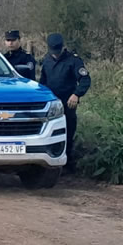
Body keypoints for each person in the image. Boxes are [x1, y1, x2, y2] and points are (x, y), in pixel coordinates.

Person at [39, 33, 91, 172]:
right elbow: (42, 82)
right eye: (53, 52)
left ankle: (68, 164)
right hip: (51, 104)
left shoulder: (73, 61)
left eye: (57, 51)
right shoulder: (47, 60)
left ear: (62, 47)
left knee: (68, 132)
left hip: (68, 103)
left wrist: (76, 94)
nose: (55, 54)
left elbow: (85, 80)